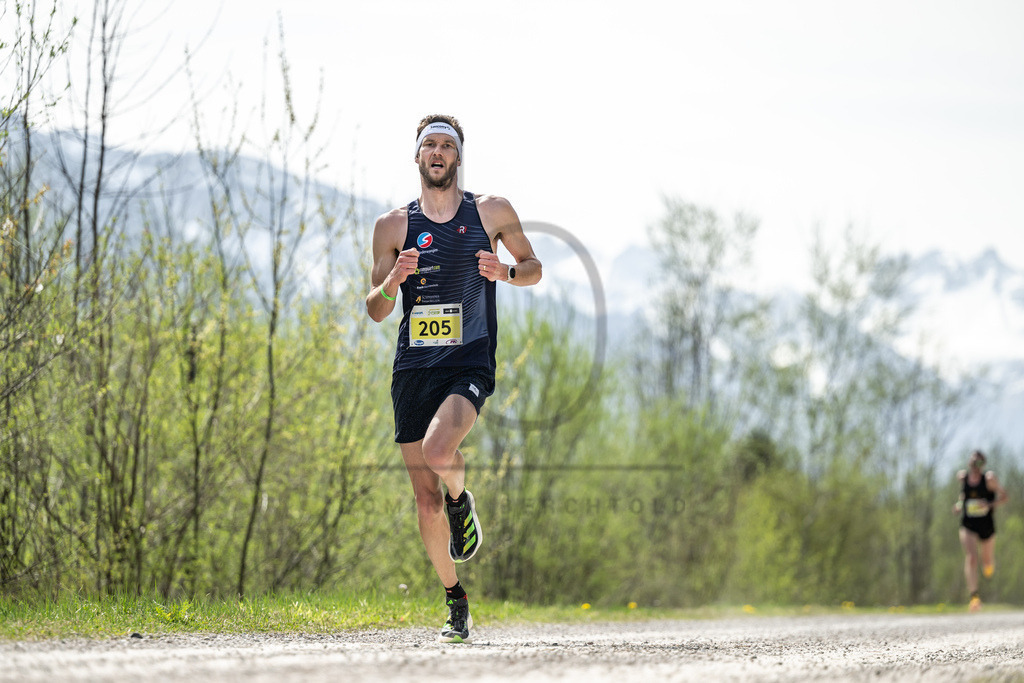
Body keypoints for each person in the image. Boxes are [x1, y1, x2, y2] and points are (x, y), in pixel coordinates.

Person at [365, 115, 542, 643]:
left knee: (442, 452)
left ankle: (462, 501)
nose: (437, 153)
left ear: (458, 157)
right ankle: (455, 600)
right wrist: (393, 279)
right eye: (429, 146)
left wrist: (505, 273)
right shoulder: (392, 227)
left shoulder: (491, 211)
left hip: (468, 360)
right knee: (424, 500)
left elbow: (534, 265)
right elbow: (375, 309)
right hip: (413, 368)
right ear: (417, 158)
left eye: (446, 145)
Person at [954, 449, 1008, 612]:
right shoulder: (963, 477)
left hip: (986, 524)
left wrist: (989, 504)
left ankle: (988, 566)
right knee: (971, 557)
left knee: (987, 562)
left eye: (979, 463)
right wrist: (958, 506)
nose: (975, 466)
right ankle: (974, 597)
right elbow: (964, 496)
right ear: (969, 463)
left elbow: (1005, 497)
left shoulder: (989, 479)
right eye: (972, 462)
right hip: (968, 523)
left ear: (983, 464)